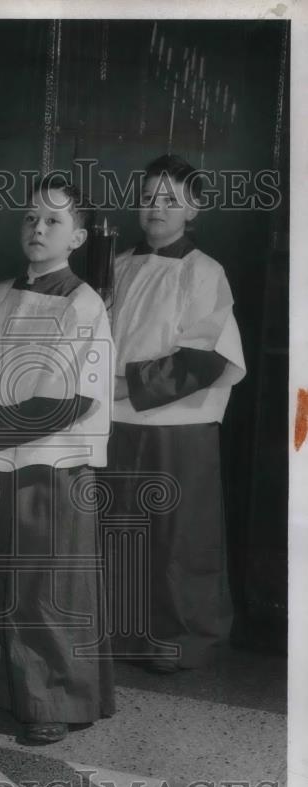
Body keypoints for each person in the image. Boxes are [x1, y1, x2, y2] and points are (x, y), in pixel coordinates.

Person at [0, 178, 115, 745]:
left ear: (77, 236)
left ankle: (53, 698)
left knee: (44, 586)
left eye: (53, 222)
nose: (38, 229)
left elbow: (71, 397)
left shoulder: (84, 303)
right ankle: (1, 691)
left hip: (50, 463)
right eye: (30, 219)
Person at [106, 153, 246, 673]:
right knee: (121, 529)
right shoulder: (115, 265)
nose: (156, 208)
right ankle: (121, 634)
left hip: (176, 425)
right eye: (147, 198)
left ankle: (184, 639)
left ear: (195, 208)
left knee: (177, 537)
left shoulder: (204, 271)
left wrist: (126, 386)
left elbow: (207, 355)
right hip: (116, 421)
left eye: (170, 199)